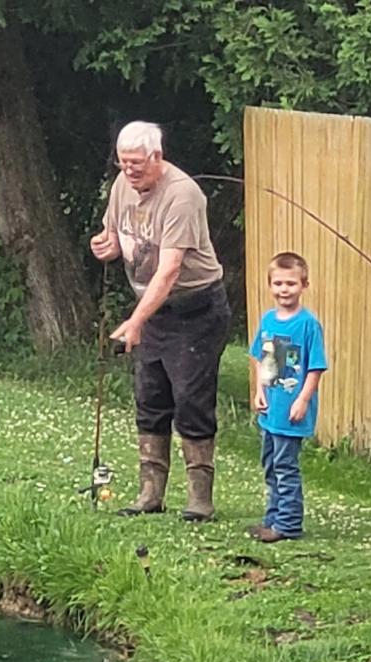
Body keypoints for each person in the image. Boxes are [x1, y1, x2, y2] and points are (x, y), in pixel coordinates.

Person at [90, 120, 230, 521]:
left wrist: (135, 322)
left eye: (136, 163)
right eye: (123, 163)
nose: (129, 170)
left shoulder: (183, 195)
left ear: (157, 156)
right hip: (154, 312)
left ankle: (199, 498)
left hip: (195, 311)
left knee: (191, 400)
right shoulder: (123, 185)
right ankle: (150, 493)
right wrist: (107, 244)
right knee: (150, 398)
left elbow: (169, 271)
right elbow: (114, 234)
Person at [248, 252, 327, 543]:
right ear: (270, 285)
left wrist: (303, 400)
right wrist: (258, 391)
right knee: (270, 463)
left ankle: (289, 524)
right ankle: (273, 519)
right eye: (278, 283)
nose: (284, 289)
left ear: (304, 285)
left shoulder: (308, 325)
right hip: (271, 409)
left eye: (291, 284)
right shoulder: (269, 320)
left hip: (291, 411)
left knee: (285, 466)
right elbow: (261, 359)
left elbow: (316, 367)